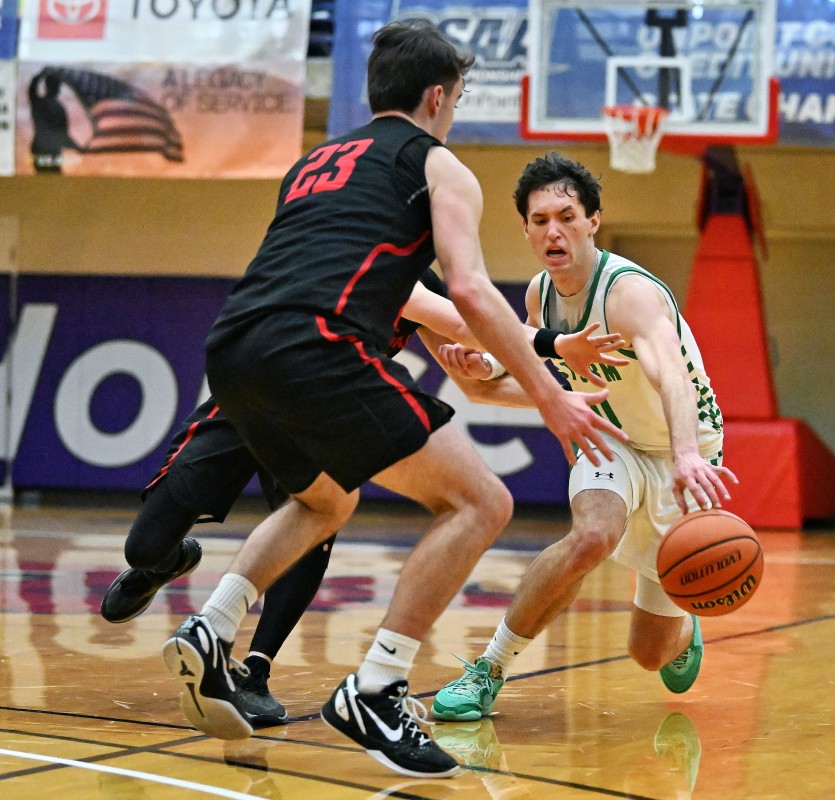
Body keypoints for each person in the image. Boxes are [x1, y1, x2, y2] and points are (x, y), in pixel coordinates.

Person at [159, 23, 625, 779]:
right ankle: (377, 686)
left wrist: (466, 347)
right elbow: (467, 287)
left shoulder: (314, 163)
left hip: (235, 345)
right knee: (482, 503)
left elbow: (381, 280)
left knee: (324, 503)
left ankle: (213, 628)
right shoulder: (437, 164)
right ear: (438, 96)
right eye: (459, 98)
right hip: (316, 346)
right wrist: (551, 396)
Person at [102, 267, 621, 728]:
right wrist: (551, 353)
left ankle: (255, 669)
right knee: (145, 546)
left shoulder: (424, 277)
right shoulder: (357, 250)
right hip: (258, 394)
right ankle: (166, 564)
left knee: (317, 515)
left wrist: (534, 388)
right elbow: (473, 325)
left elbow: (477, 379)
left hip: (322, 408)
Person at [430, 153, 736, 722]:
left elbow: (670, 372)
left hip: (680, 451)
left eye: (566, 216)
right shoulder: (536, 298)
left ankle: (681, 625)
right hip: (611, 440)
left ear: (593, 220)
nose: (554, 230)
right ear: (524, 228)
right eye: (540, 219)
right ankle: (490, 669)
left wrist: (689, 453)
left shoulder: (628, 293)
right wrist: (480, 372)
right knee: (593, 535)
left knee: (649, 655)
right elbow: (522, 385)